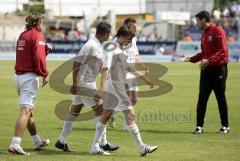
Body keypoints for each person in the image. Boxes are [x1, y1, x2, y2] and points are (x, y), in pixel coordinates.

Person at [90, 26, 157, 156]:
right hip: (114, 85)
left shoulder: (122, 48)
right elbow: (105, 69)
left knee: (106, 116)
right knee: (130, 113)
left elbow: (127, 66)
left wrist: (144, 77)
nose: (130, 41)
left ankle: (94, 146)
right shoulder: (111, 47)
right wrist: (102, 89)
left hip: (117, 85)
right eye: (129, 38)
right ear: (121, 35)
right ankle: (142, 147)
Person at [55, 22, 119, 152]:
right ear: (105, 34)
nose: (110, 35)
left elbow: (98, 65)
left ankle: (61, 141)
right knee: (102, 112)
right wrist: (74, 84)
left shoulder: (99, 46)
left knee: (74, 112)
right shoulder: (90, 45)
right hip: (85, 84)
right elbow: (76, 64)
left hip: (86, 83)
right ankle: (102, 144)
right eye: (109, 33)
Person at [8, 13, 52, 155]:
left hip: (18, 76)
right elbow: (38, 58)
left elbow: (30, 55)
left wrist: (45, 50)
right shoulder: (37, 36)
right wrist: (45, 74)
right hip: (28, 78)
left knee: (29, 112)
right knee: (26, 112)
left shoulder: (22, 35)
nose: (42, 25)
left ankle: (37, 141)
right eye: (41, 22)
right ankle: (15, 144)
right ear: (38, 23)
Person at [180, 11, 229, 134]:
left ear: (203, 20)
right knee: (202, 98)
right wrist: (190, 59)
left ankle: (225, 126)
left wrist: (210, 60)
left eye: (197, 20)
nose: (196, 23)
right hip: (206, 69)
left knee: (220, 98)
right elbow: (203, 54)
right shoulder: (204, 34)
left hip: (218, 69)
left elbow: (223, 51)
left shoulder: (218, 31)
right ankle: (199, 127)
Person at [109, 18, 149, 130]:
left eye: (136, 27)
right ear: (126, 26)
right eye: (133, 27)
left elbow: (134, 55)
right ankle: (127, 124)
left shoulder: (133, 39)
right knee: (126, 100)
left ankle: (112, 113)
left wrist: (142, 64)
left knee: (134, 99)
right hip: (123, 72)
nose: (136, 29)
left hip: (132, 72)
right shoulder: (118, 40)